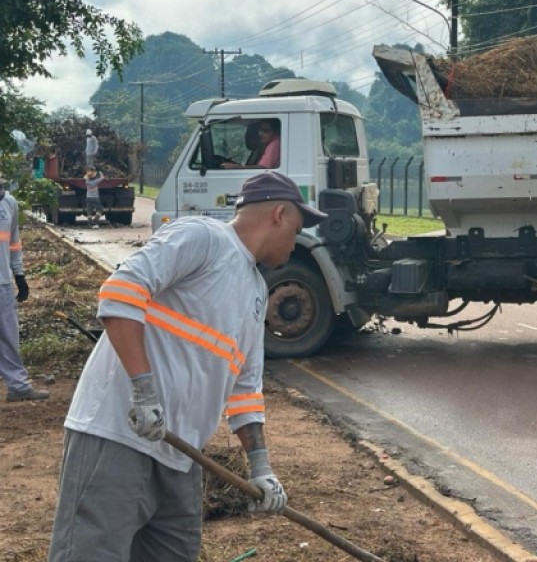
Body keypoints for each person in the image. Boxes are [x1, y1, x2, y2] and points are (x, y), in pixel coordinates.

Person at [47, 171, 328, 561]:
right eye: (296, 230)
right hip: (118, 437)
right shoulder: (202, 238)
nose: (295, 243)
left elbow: (245, 389)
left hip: (181, 457)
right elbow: (120, 293)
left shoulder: (257, 292)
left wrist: (260, 466)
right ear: (279, 214)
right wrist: (144, 392)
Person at [0, 174, 49, 402]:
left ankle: (18, 385)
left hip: (3, 283)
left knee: (9, 336)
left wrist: (19, 275)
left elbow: (14, 243)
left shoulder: (9, 203)